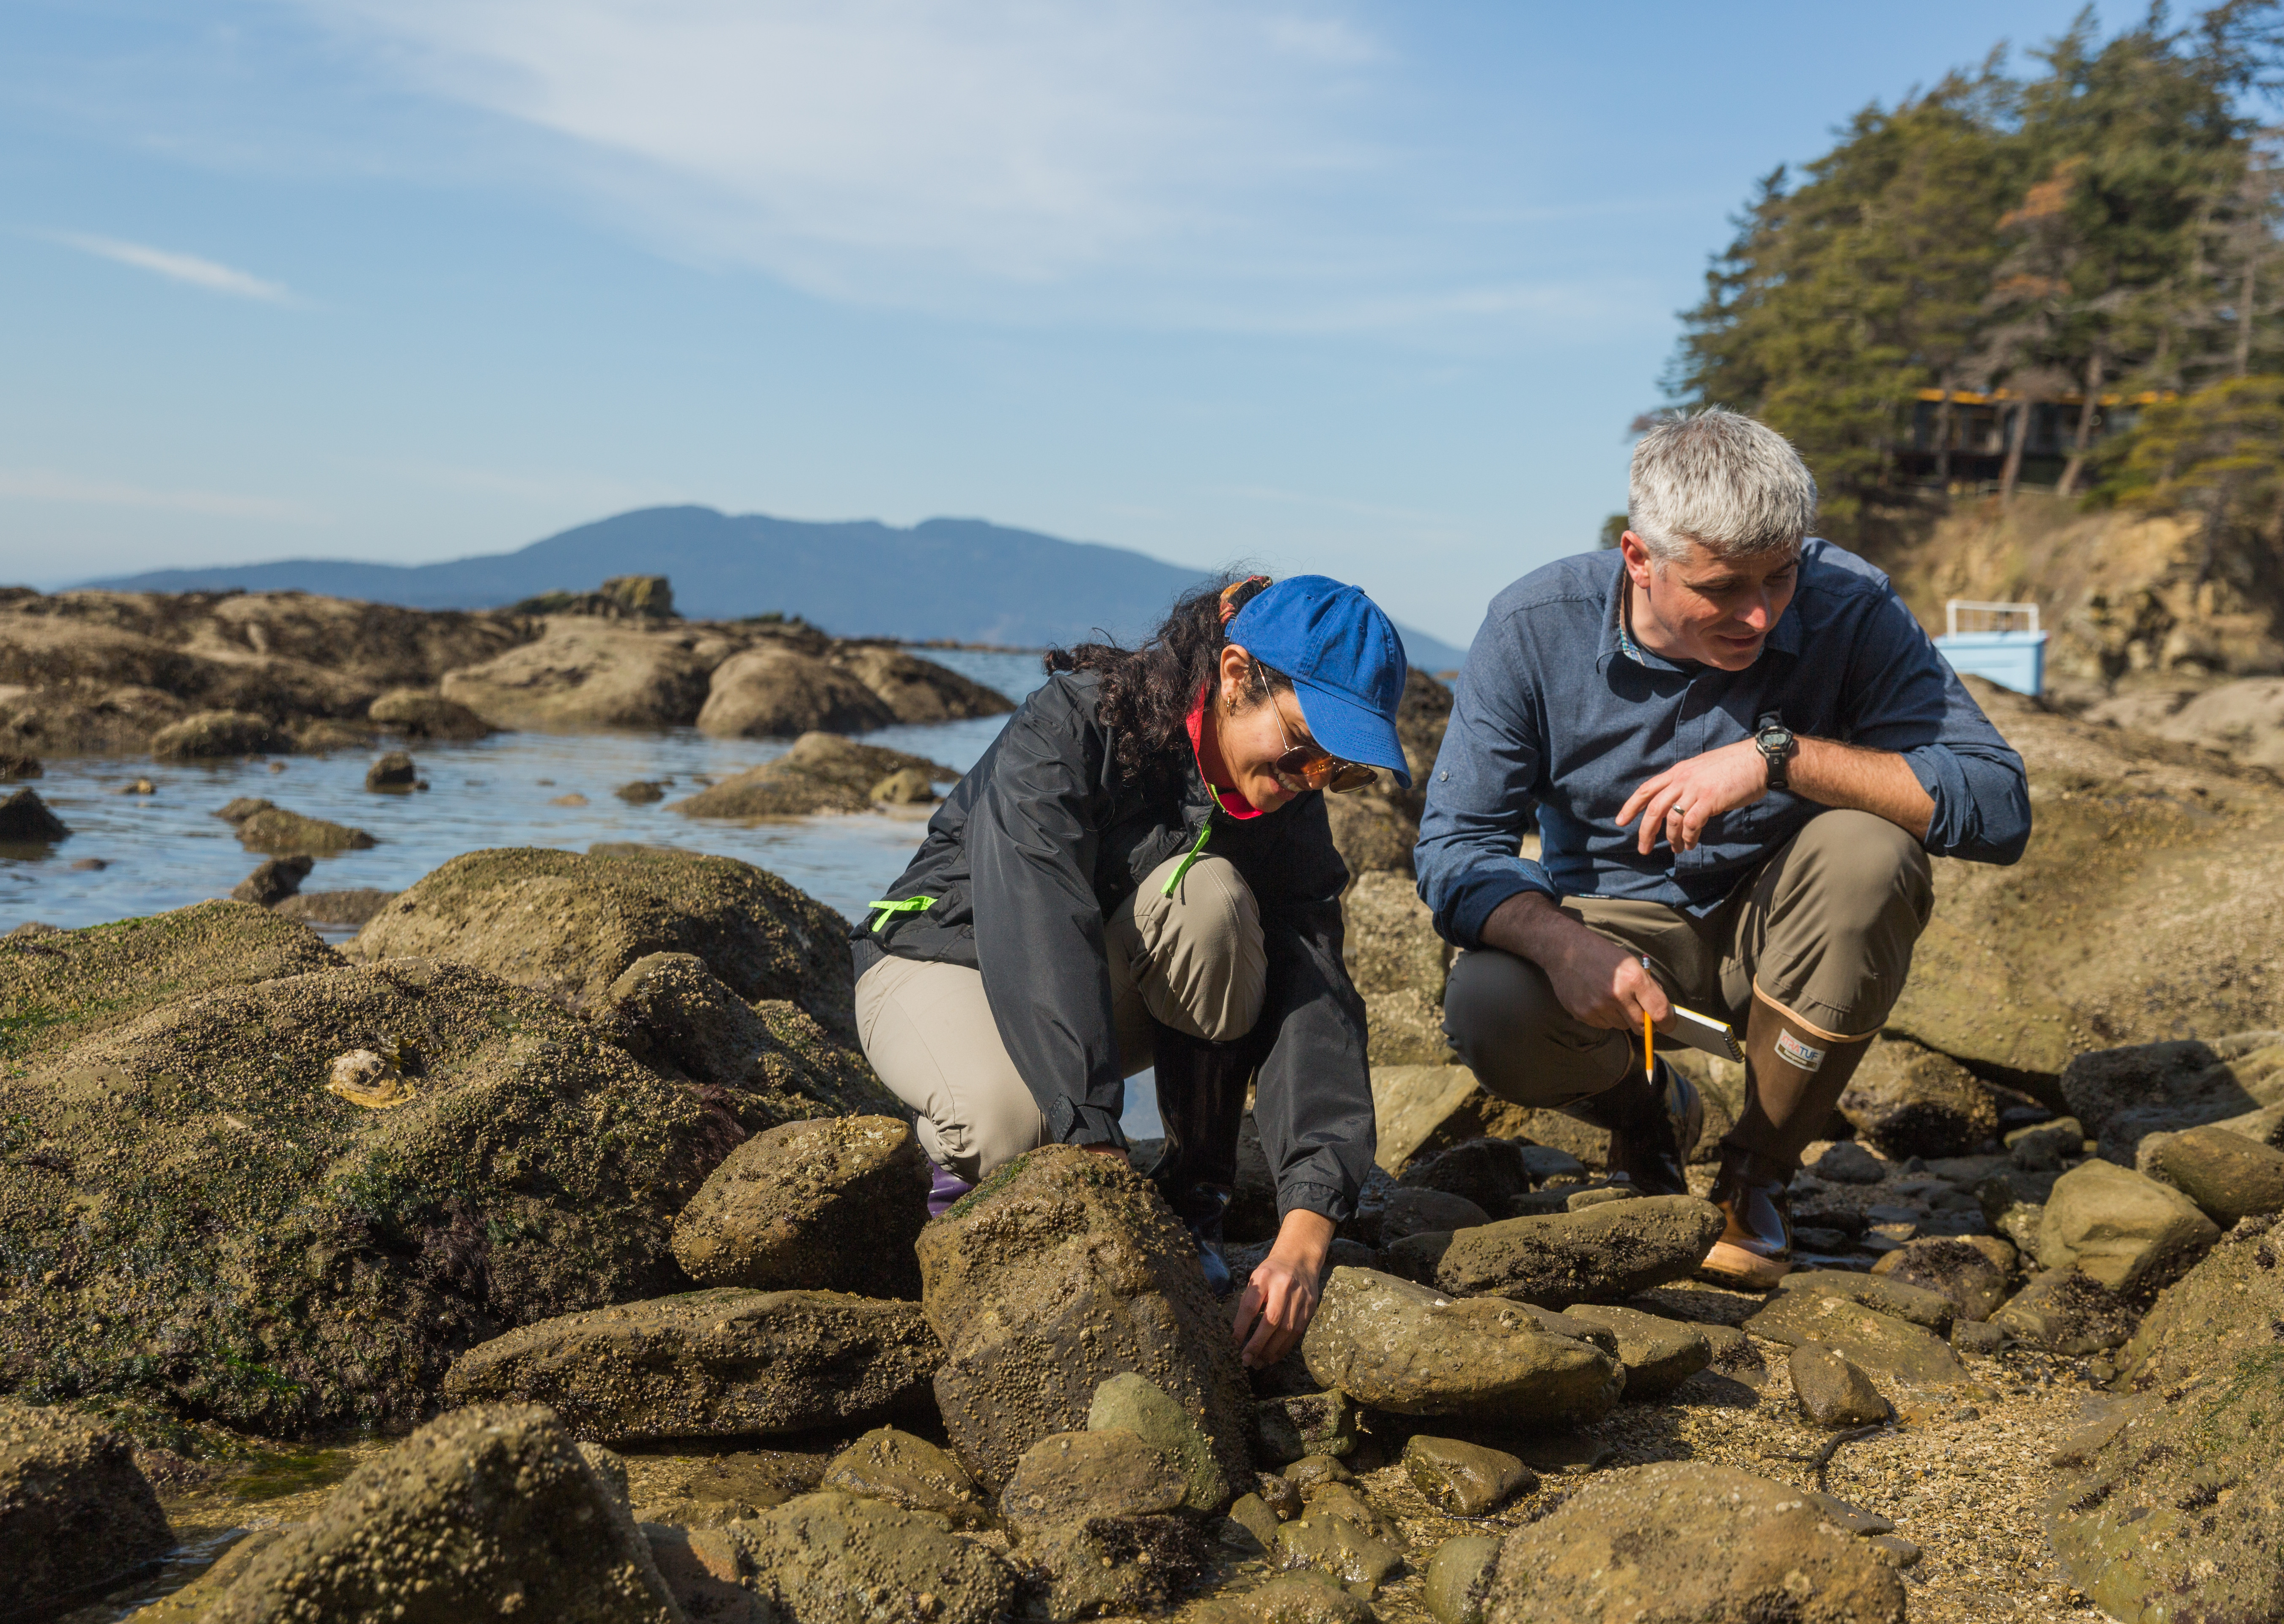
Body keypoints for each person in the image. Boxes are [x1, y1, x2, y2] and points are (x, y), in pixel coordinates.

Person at [1416, 409, 2031, 1288]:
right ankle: (1645, 1119)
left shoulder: (1849, 604)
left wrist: (1776, 760)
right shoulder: (1532, 625)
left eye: (1779, 579)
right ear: (1639, 559)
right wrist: (1561, 943)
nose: (1757, 615)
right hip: (1612, 920)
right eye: (1722, 588)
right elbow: (1454, 847)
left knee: (1871, 853)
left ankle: (1759, 1173)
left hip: (1783, 918)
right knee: (1487, 997)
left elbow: (2000, 804)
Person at [854, 573, 1412, 1366]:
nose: (1310, 777)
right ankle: (948, 1229)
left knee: (1211, 904)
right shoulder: (1075, 721)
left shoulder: (1284, 809)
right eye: (1304, 747)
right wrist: (1094, 1149)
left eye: (1339, 769)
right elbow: (1038, 912)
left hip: (1083, 985)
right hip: (937, 957)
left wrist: (1308, 1226)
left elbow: (1315, 996)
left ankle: (1196, 1206)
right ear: (1235, 676)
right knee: (1016, 1126)